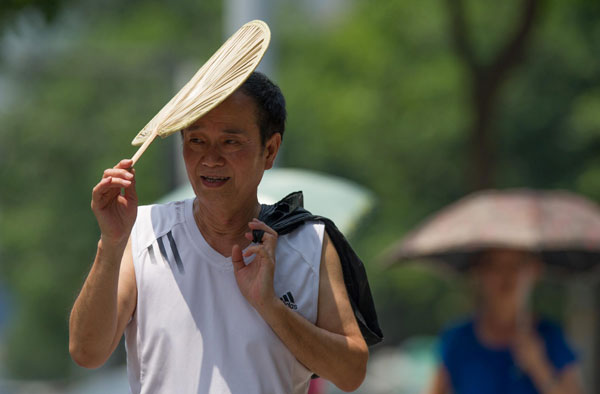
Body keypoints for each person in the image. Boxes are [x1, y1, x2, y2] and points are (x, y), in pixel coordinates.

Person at [69, 72, 369, 394]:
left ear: (270, 150)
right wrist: (111, 243)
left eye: (230, 142)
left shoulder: (309, 243)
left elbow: (351, 373)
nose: (211, 158)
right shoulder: (143, 232)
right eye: (196, 140)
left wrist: (270, 306)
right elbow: (87, 353)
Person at [426, 248, 582, 394]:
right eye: (495, 266)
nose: (506, 274)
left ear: (534, 271)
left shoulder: (549, 336)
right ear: (480, 273)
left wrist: (540, 367)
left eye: (515, 265)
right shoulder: (458, 338)